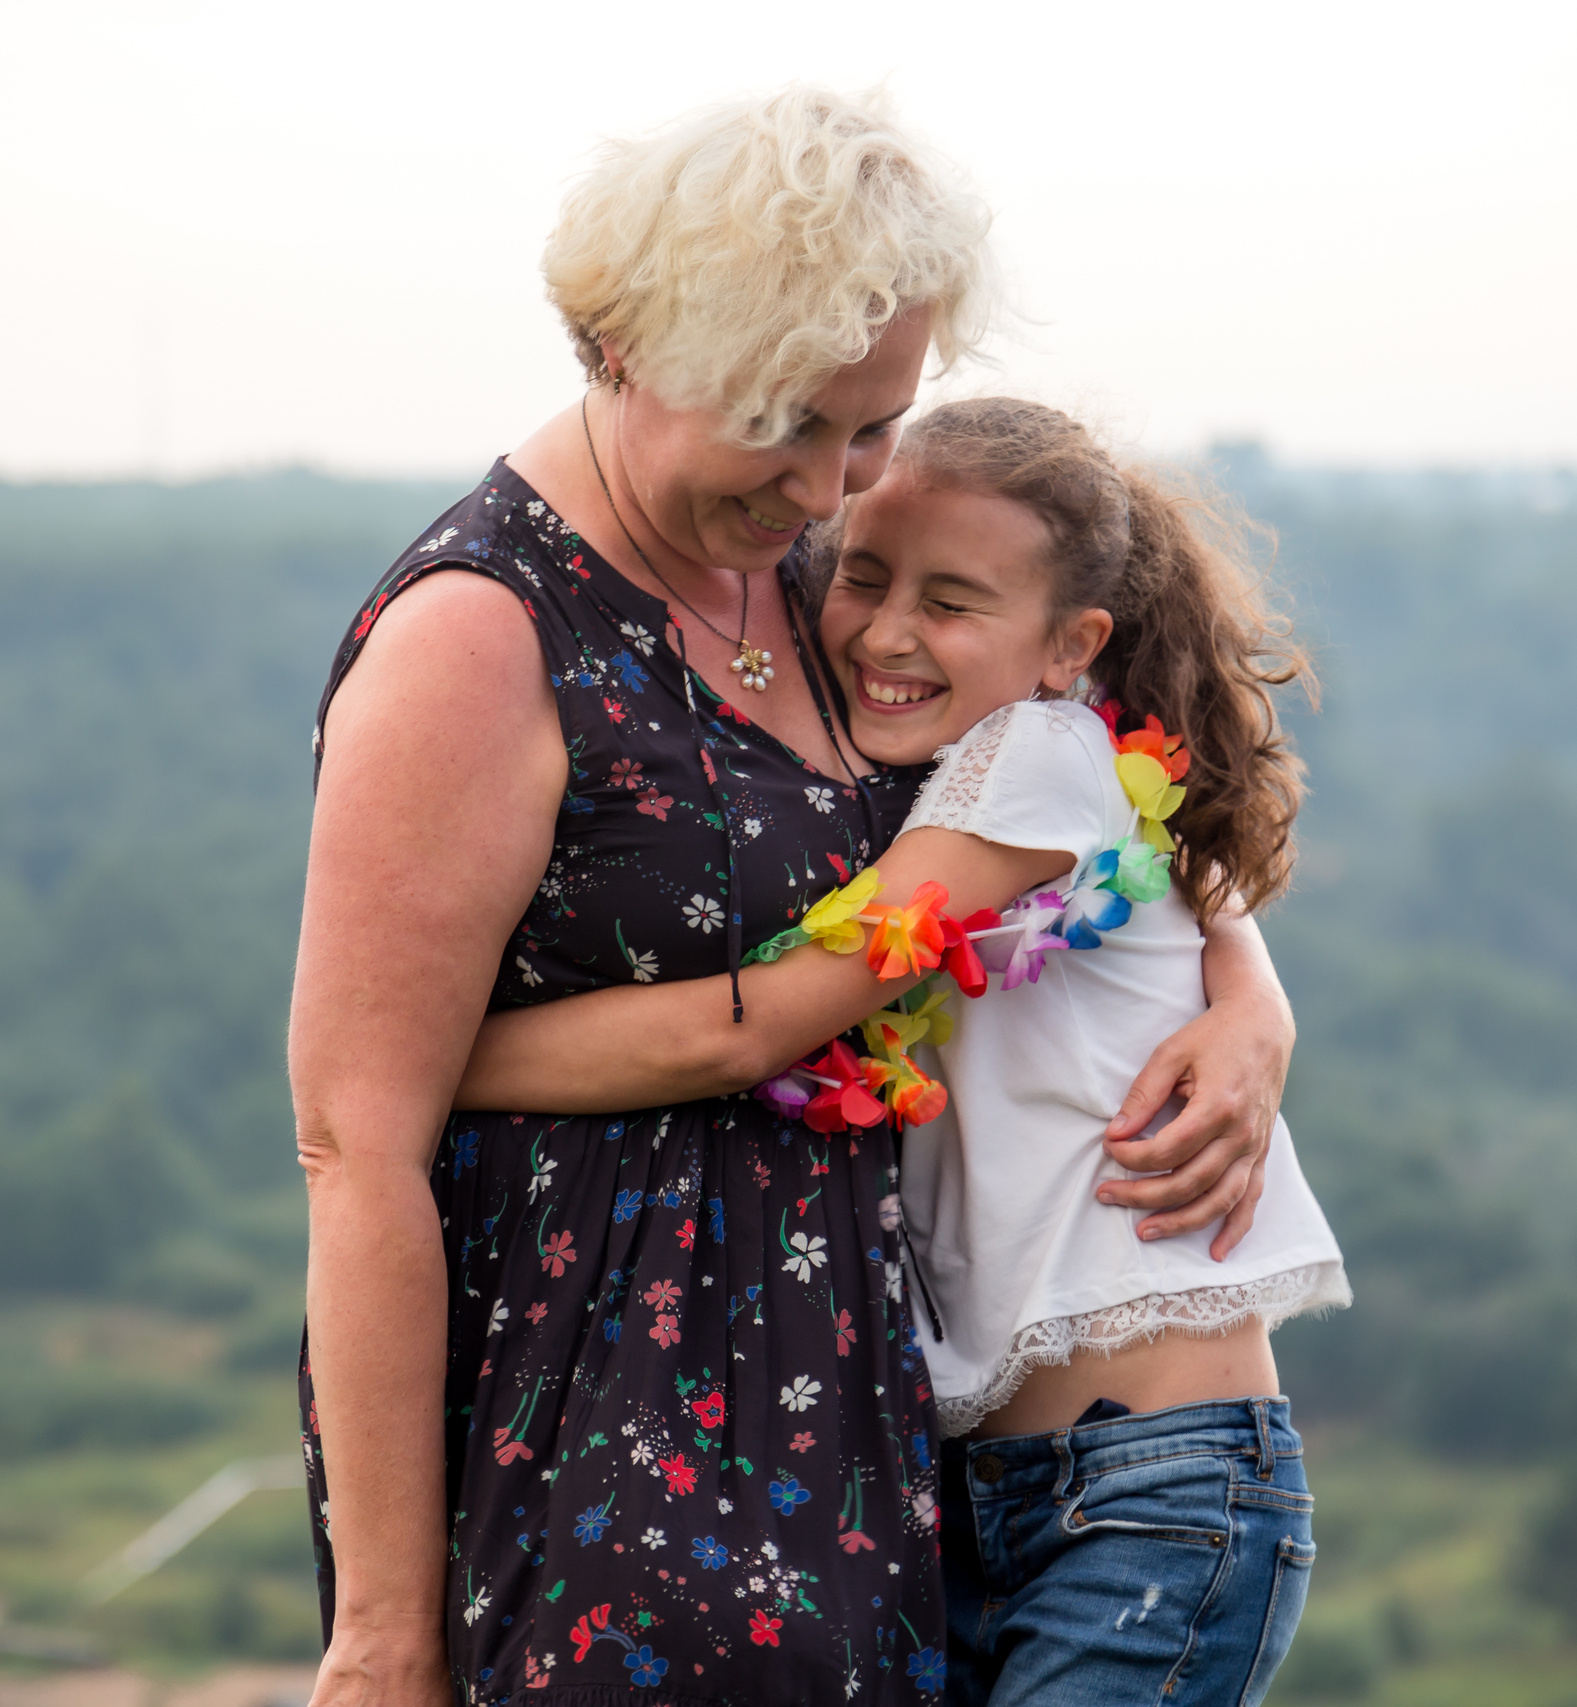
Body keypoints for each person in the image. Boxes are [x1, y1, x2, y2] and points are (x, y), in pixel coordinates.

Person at [292, 89, 1298, 1707]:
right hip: (605, 1450)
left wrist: (1249, 998)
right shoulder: (479, 635)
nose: (833, 481)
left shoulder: (817, 569)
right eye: (791, 423)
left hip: (875, 1460)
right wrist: (383, 1639)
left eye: (874, 424)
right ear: (624, 346)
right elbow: (358, 1147)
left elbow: (1065, 812)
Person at [457, 396, 1345, 1705]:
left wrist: (437, 1065)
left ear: (1070, 646)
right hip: (983, 1493)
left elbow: (751, 1020)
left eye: (953, 600)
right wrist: (1251, 989)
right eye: (860, 575)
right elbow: (1197, 890)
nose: (888, 631)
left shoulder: (1038, 765)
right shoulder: (953, 777)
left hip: (1151, 1486)